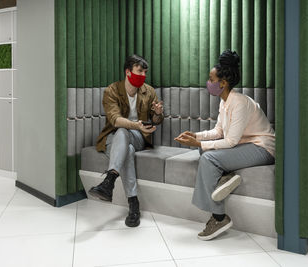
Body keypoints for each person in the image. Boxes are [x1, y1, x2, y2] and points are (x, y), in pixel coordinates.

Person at [175, 50, 275, 240]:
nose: (208, 82)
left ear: (223, 83)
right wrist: (196, 136)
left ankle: (219, 217)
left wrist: (200, 143)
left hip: (263, 148)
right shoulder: (225, 102)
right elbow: (218, 132)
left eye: (211, 79)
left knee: (209, 156)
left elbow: (231, 141)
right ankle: (226, 175)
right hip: (246, 146)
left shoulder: (239, 102)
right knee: (203, 148)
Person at [90, 54, 164, 227]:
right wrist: (135, 125)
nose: (143, 75)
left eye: (145, 72)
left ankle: (109, 182)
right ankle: (133, 204)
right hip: (112, 138)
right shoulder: (112, 91)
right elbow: (115, 120)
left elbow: (156, 121)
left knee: (124, 131)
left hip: (139, 137)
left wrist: (158, 114)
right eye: (139, 71)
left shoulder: (149, 91)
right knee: (126, 147)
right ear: (128, 72)